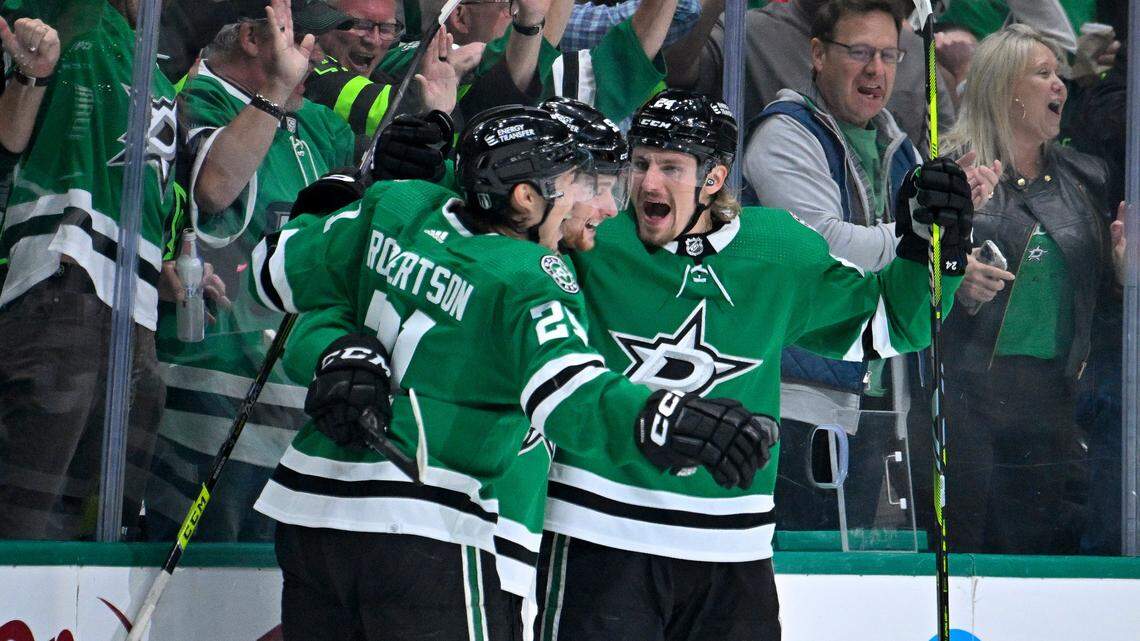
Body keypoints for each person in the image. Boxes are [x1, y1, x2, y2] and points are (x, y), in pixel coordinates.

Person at [247, 104, 774, 640]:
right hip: (436, 517)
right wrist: (666, 418)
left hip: (310, 508)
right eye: (584, 183)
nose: (608, 206)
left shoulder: (401, 203)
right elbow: (571, 397)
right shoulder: (532, 272)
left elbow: (273, 275)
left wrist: (342, 194)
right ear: (527, 195)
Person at [535, 88, 974, 640]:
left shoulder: (778, 249)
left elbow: (894, 323)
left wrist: (932, 246)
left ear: (714, 178)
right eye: (640, 162)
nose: (649, 182)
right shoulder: (591, 237)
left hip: (733, 548)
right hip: (598, 532)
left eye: (671, 167)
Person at [144, 0, 363, 542]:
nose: (316, 56)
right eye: (300, 38)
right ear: (251, 38)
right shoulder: (193, 100)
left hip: (294, 397)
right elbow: (216, 186)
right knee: (204, 581)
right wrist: (273, 94)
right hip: (208, 392)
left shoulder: (320, 127)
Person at [941, 24, 1123, 554]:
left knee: (1040, 559)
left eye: (1059, 74)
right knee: (970, 553)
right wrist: (957, 284)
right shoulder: (949, 171)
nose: (1059, 86)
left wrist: (1121, 274)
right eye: (1042, 74)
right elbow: (904, 285)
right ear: (1003, 89)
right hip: (965, 401)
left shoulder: (1087, 176)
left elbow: (1102, 309)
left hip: (1053, 403)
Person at [0, 0, 176, 540]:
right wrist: (31, 74)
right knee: (25, 513)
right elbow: (10, 137)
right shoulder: (66, 20)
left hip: (135, 309)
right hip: (63, 278)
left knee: (101, 523)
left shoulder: (157, 70)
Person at [665, 0, 957, 149]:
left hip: (895, 248)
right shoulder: (745, 33)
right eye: (859, 52)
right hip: (782, 245)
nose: (875, 68)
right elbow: (676, 72)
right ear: (818, 54)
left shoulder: (916, 52)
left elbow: (945, 153)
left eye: (887, 56)